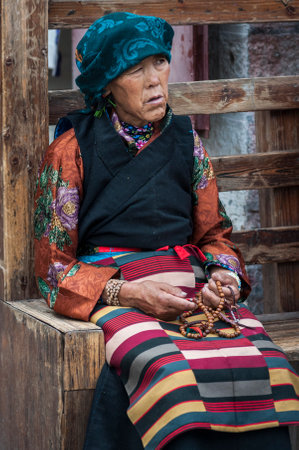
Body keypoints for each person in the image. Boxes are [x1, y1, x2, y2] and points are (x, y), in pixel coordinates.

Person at [34, 12, 298, 449]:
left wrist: (224, 277)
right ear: (108, 85)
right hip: (119, 292)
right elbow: (52, 268)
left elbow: (214, 234)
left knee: (262, 365)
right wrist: (129, 294)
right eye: (136, 69)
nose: (155, 80)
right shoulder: (70, 150)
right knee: (169, 377)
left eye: (159, 62)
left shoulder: (186, 140)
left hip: (192, 290)